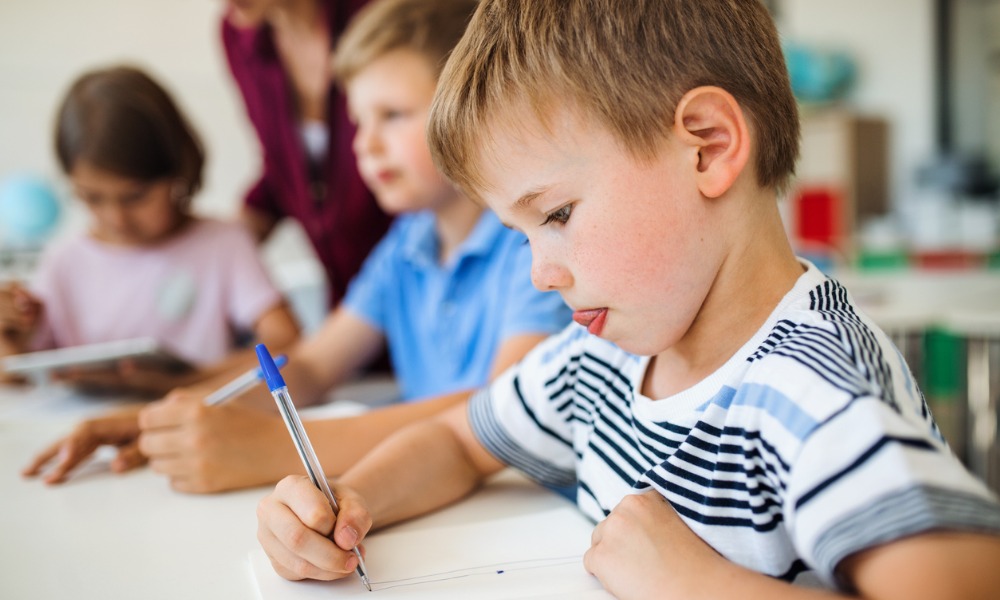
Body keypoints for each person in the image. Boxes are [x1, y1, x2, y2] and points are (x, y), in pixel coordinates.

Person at [255, 1, 1000, 598]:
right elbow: (458, 441)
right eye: (521, 236)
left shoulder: (816, 394)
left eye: (555, 216)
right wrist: (347, 503)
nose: (541, 274)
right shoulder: (598, 357)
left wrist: (696, 585)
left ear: (706, 147)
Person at [23, 0, 571, 495]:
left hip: (520, 504)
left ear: (470, 110)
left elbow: (499, 408)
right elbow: (307, 367)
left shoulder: (528, 246)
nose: (364, 144)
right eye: (357, 121)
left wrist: (272, 447)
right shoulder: (404, 246)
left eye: (393, 115)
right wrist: (157, 418)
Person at [0, 65, 299, 397]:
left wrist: (190, 379)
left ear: (178, 171)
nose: (116, 218)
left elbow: (286, 340)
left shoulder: (223, 244)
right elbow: (14, 377)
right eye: (92, 197)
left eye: (135, 196)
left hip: (195, 424)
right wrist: (10, 338)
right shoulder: (63, 262)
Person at [222, 0, 392, 309]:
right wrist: (218, 244)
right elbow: (283, 168)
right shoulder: (238, 37)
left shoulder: (380, 18)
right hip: (348, 297)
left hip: (413, 274)